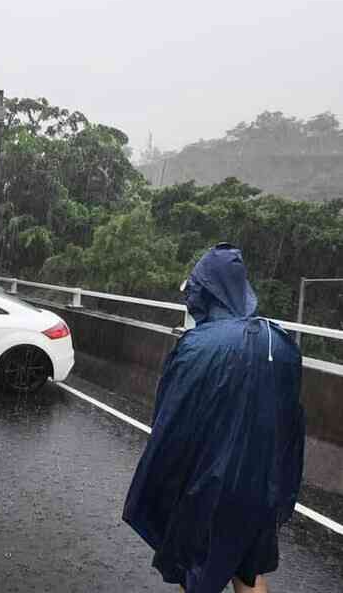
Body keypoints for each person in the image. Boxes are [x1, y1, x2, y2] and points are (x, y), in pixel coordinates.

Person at [123, 244, 305, 593]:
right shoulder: (280, 342)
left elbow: (171, 421)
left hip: (208, 485)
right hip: (260, 486)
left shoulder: (196, 346)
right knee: (249, 571)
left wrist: (164, 484)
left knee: (195, 570)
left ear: (206, 292)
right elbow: (291, 426)